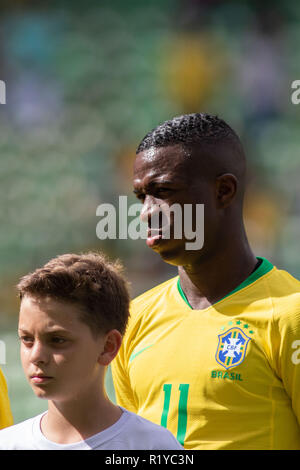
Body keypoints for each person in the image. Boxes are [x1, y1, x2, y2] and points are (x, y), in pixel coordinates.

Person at [111, 113, 300, 450]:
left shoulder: (291, 315)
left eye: (163, 191)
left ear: (223, 191)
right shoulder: (133, 319)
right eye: (142, 196)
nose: (146, 212)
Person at [0, 252, 183, 450]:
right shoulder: (8, 443)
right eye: (26, 339)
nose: (36, 356)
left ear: (108, 347)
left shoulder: (153, 446)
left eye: (57, 340)